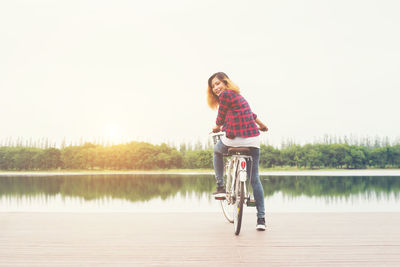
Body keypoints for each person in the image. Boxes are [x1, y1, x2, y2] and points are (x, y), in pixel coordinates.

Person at [207, 72, 268, 231]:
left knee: (217, 151)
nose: (216, 88)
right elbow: (252, 115)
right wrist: (262, 126)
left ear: (226, 83)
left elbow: (220, 120)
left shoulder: (226, 96)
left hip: (234, 139)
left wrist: (216, 127)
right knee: (254, 178)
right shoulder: (239, 97)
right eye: (213, 86)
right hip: (253, 140)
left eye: (218, 84)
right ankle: (261, 219)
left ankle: (220, 186)